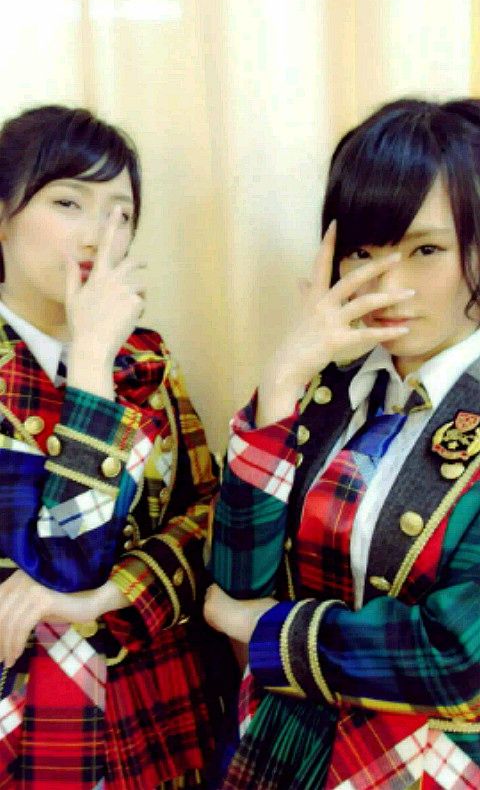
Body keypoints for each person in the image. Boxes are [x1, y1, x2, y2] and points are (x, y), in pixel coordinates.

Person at [204, 98, 480, 789]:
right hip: (281, 752)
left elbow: (458, 655)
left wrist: (268, 631)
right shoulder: (330, 391)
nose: (388, 285)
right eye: (363, 252)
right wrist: (282, 380)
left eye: (425, 250)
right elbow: (237, 577)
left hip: (419, 766)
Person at [0, 104, 233, 789]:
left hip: (162, 706)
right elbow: (65, 558)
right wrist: (91, 366)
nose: (101, 233)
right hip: (32, 718)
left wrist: (112, 594)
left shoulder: (147, 359)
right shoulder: (106, 357)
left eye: (122, 213)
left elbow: (211, 517)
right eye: (69, 202)